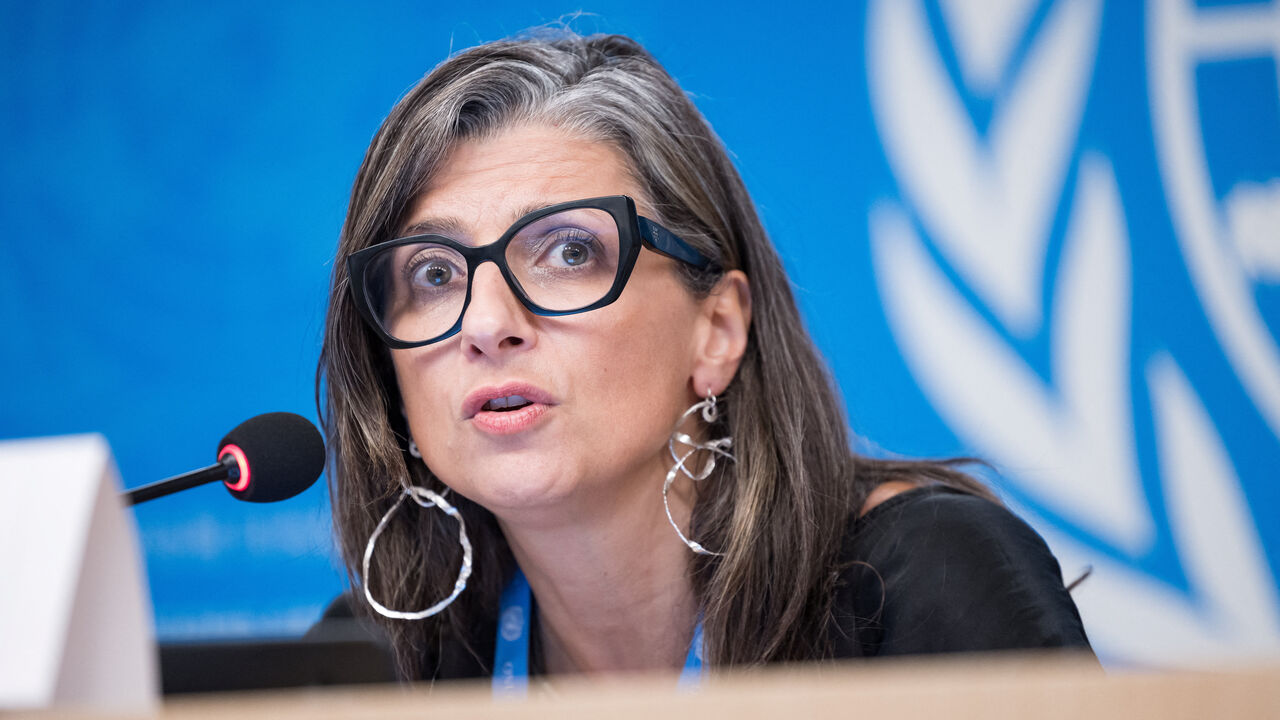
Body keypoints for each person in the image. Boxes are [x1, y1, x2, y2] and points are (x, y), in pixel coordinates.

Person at [316, 29, 1091, 686]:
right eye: (434, 274)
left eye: (570, 251)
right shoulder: (385, 659)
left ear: (716, 329)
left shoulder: (920, 584)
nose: (486, 323)